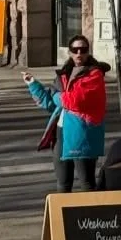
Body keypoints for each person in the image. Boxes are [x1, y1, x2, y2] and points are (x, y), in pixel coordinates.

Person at [25, 36, 108, 192]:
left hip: (82, 132)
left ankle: (90, 216)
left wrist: (57, 96)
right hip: (61, 132)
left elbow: (74, 101)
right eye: (75, 50)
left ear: (88, 52)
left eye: (83, 50)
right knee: (63, 183)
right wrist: (33, 84)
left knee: (87, 183)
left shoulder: (95, 75)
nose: (79, 54)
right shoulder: (63, 74)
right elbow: (50, 103)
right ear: (69, 52)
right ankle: (62, 215)